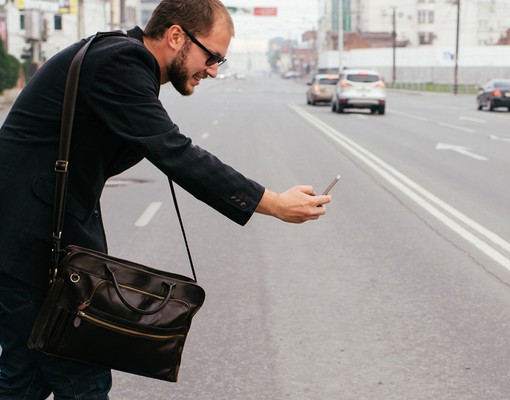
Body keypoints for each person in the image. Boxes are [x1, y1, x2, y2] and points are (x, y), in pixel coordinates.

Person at [0, 0, 330, 397]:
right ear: (176, 36)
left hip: (25, 242)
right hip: (28, 244)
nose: (212, 70)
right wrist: (273, 202)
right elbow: (176, 152)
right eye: (211, 57)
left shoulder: (120, 58)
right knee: (82, 381)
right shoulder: (121, 62)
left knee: (24, 377)